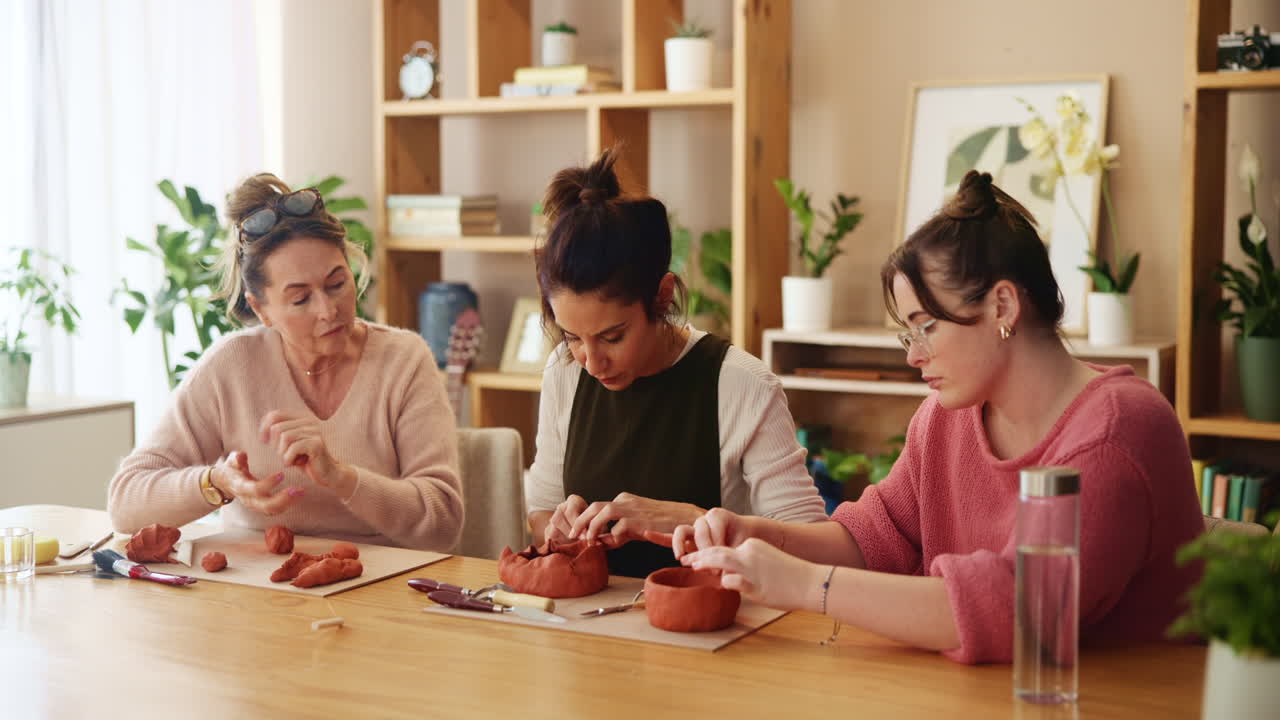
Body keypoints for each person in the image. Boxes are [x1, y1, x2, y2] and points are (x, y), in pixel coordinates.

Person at [672, 170, 1204, 663]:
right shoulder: (944, 419)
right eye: (908, 332)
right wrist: (756, 538)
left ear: (1002, 306)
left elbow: (1020, 612)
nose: (913, 355)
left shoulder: (1117, 431)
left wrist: (805, 585)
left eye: (925, 326)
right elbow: (873, 539)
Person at [108, 173, 463, 550]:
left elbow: (444, 524)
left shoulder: (403, 361)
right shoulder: (232, 365)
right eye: (299, 299)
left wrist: (341, 477)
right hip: (259, 592)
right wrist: (217, 483)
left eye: (337, 283)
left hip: (382, 587)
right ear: (261, 308)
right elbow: (126, 503)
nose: (329, 310)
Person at [525, 148, 826, 577]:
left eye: (613, 337)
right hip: (592, 623)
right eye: (574, 338)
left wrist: (691, 519)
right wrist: (557, 528)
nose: (592, 362)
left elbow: (813, 546)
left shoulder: (742, 385)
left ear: (663, 296)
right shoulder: (564, 371)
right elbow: (540, 513)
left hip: (714, 624)